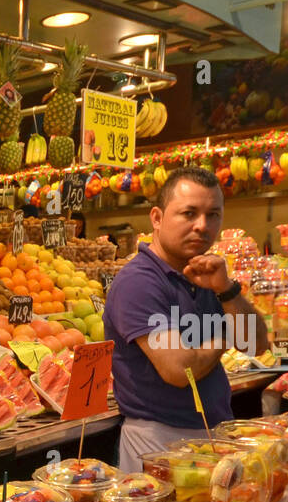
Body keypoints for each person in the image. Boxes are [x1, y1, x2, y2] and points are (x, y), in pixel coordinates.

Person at [103, 167, 268, 473]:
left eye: (213, 215)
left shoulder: (206, 275)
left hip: (214, 436)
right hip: (159, 444)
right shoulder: (138, 283)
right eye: (189, 213)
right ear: (156, 218)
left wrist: (227, 290)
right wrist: (223, 335)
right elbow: (180, 370)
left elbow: (255, 345)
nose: (202, 226)